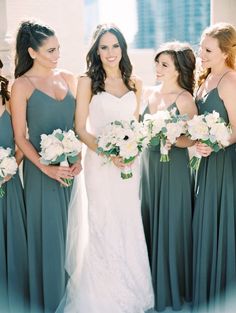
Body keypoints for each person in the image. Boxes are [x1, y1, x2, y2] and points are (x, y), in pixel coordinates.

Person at [63, 23, 154, 313]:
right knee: (102, 221)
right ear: (96, 50)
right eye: (104, 47)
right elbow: (80, 128)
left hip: (129, 166)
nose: (110, 52)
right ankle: (102, 295)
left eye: (115, 46)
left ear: (123, 49)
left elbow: (137, 126)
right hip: (100, 165)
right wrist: (109, 151)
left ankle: (133, 289)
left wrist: (130, 150)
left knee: (128, 221)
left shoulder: (136, 83)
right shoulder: (87, 81)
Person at [11, 21, 82, 313]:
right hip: (42, 176)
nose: (56, 55)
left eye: (58, 48)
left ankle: (73, 297)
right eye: (50, 50)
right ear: (32, 52)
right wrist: (46, 168)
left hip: (71, 174)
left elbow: (79, 127)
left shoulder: (68, 77)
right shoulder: (22, 85)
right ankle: (52, 301)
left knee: (73, 237)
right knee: (50, 239)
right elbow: (20, 138)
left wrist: (79, 159)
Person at [140, 42, 197, 312]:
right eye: (157, 63)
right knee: (148, 221)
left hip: (173, 169)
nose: (158, 69)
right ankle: (148, 286)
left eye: (165, 65)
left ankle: (173, 288)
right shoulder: (149, 92)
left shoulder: (185, 99)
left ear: (179, 69)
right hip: (148, 168)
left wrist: (172, 136)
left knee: (172, 225)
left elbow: (193, 139)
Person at [192, 22, 236, 311]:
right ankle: (206, 288)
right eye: (201, 47)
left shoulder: (229, 80)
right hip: (203, 161)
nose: (202, 54)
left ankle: (222, 290)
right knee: (204, 220)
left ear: (225, 52)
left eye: (208, 50)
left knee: (221, 221)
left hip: (223, 163)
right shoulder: (205, 78)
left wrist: (216, 144)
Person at [0, 59, 28, 312]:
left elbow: (21, 142)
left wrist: (9, 167)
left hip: (9, 183)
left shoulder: (9, 101)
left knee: (13, 237)